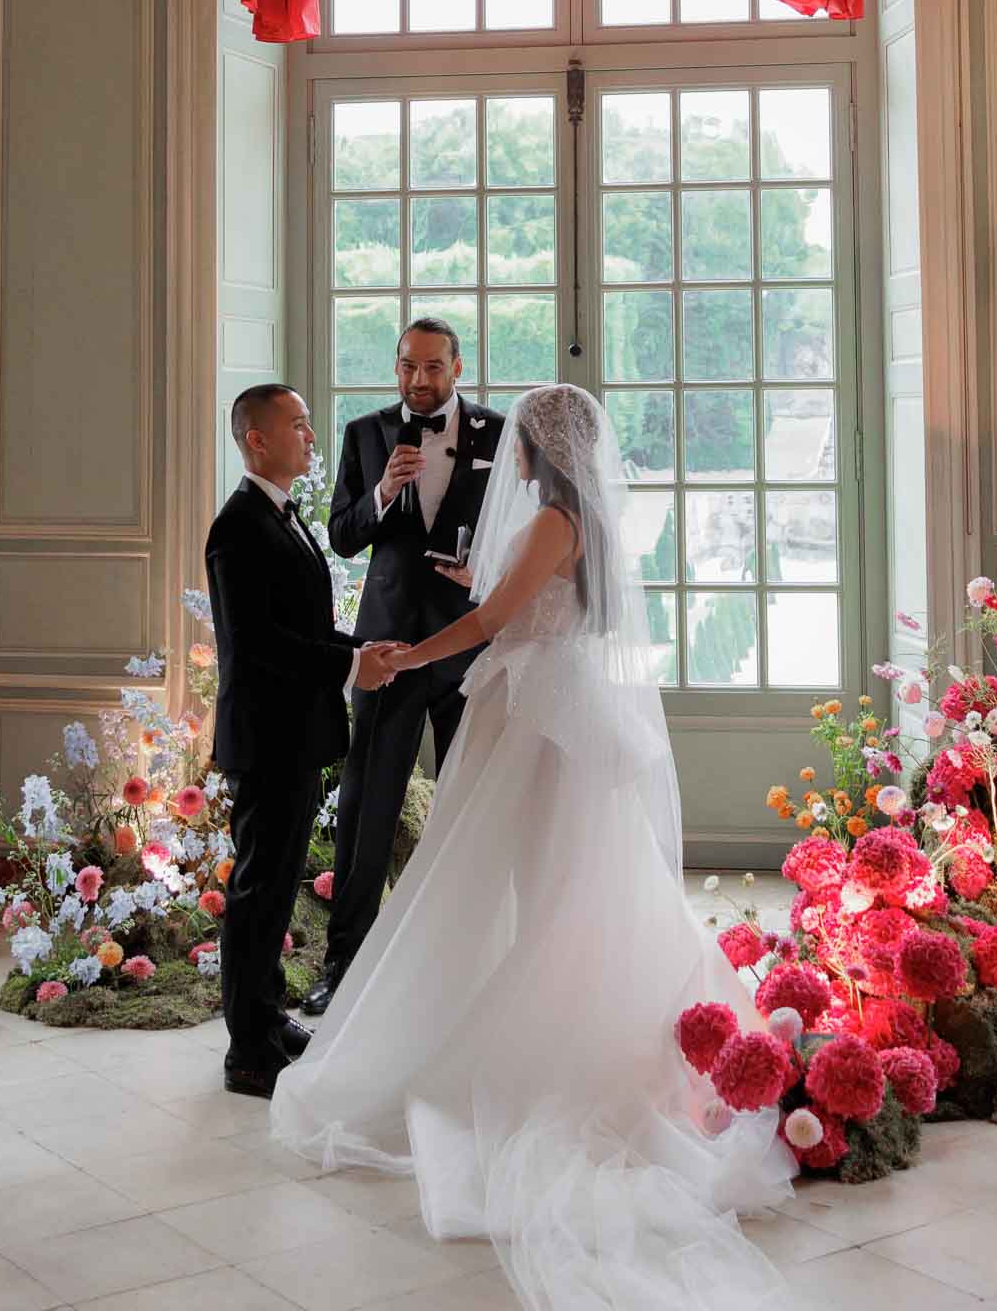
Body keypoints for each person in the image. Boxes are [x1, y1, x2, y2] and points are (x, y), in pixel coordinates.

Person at [272, 384, 795, 1310]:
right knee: (551, 885)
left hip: (539, 719)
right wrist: (487, 591)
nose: (505, 450)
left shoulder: (555, 518)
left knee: (544, 889)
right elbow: (525, 604)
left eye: (519, 436)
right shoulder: (569, 517)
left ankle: (554, 1048)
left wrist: (403, 655)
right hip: (545, 700)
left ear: (542, 447)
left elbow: (492, 622)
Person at [206, 384, 404, 1099]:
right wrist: (351, 663)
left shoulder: (280, 516)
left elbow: (305, 625)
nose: (311, 438)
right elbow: (258, 644)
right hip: (266, 738)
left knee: (274, 885)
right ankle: (246, 1051)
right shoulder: (238, 527)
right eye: (296, 426)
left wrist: (359, 648)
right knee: (257, 892)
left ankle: (266, 1017)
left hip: (294, 733)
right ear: (256, 439)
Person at [303, 319, 504, 1017]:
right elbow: (342, 535)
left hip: (470, 648)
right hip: (386, 650)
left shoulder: (499, 432)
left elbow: (519, 532)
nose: (419, 380)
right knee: (366, 809)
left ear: (457, 366)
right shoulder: (365, 433)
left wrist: (484, 570)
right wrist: (383, 492)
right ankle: (343, 965)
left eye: (432, 368)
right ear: (395, 368)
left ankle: (466, 964)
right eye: (407, 367)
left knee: (471, 806)